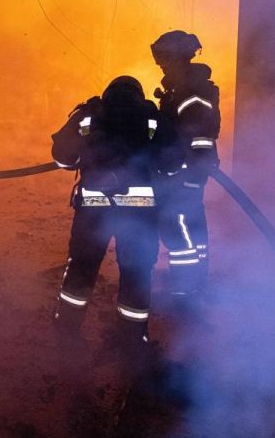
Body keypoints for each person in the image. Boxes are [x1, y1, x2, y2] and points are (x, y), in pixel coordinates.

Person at [51, 76, 183, 353]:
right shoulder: (151, 117)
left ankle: (66, 334)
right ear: (138, 94)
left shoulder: (90, 113)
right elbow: (174, 163)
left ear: (108, 92)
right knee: (136, 274)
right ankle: (131, 342)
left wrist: (86, 156)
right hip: (139, 212)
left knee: (82, 267)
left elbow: (62, 157)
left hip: (93, 209)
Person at [150, 30, 221, 297]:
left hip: (184, 173)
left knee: (175, 224)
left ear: (179, 58)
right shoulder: (181, 90)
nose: (161, 65)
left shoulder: (191, 93)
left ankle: (185, 288)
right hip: (184, 171)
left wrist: (189, 173)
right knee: (192, 225)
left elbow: (200, 136)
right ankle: (196, 280)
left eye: (164, 59)